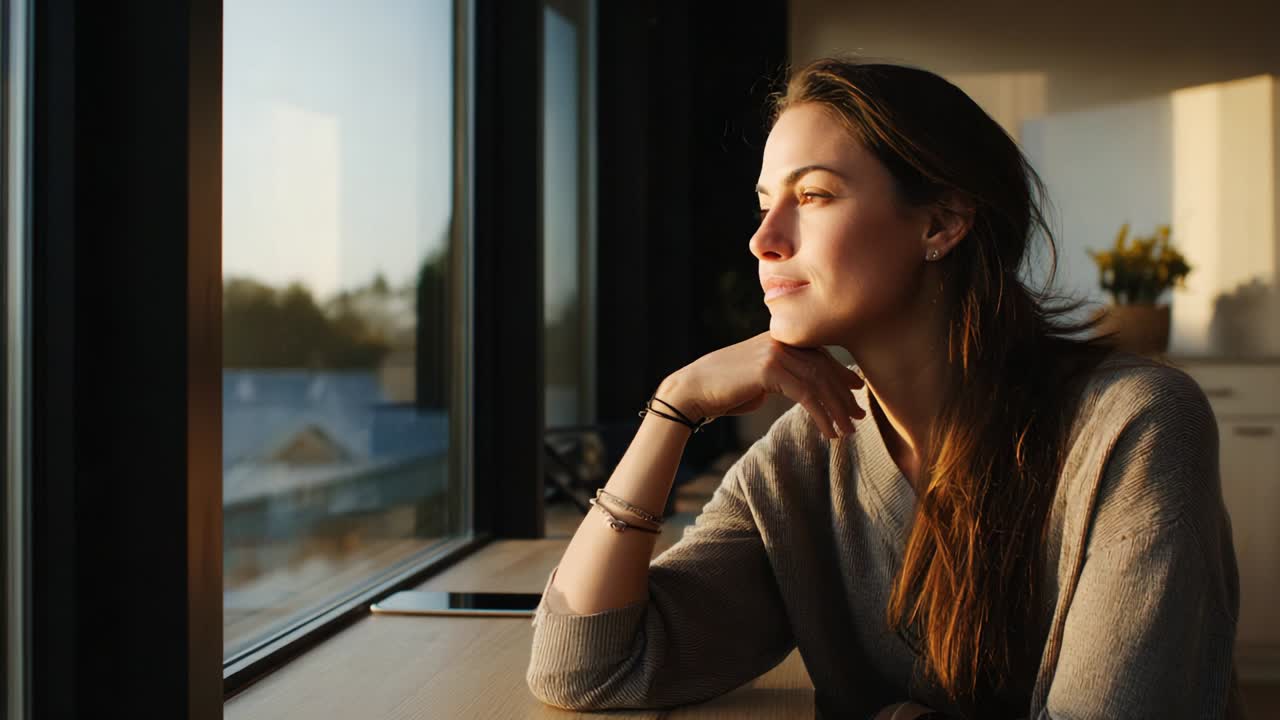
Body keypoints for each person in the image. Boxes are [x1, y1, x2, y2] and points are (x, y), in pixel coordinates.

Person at [525, 57, 1244, 719]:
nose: (764, 239)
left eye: (813, 194)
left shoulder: (1133, 425)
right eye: (764, 202)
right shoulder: (805, 456)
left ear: (941, 221)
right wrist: (674, 404)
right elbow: (587, 668)